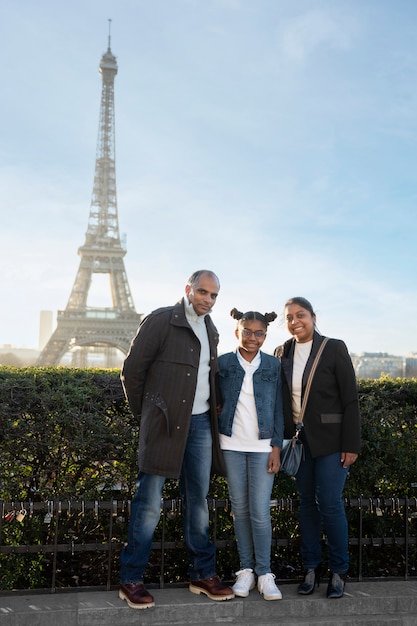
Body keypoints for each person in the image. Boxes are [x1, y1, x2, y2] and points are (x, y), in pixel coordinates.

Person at [119, 270, 234, 609]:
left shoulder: (211, 329)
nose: (208, 300)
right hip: (165, 424)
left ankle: (202, 573)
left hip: (200, 425)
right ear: (188, 289)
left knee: (198, 502)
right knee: (148, 504)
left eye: (214, 295)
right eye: (202, 292)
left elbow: (206, 376)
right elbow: (132, 371)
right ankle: (131, 579)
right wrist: (149, 415)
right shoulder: (160, 321)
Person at [275, 297, 361, 599]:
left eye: (301, 315)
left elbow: (350, 399)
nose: (295, 321)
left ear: (313, 316)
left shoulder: (334, 348)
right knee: (306, 505)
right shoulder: (281, 351)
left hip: (333, 442)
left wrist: (352, 444)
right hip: (300, 444)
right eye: (289, 317)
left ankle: (339, 571)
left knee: (330, 503)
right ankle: (310, 568)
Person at [217, 308, 284, 601]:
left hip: (262, 447)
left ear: (265, 335)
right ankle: (245, 571)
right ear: (237, 332)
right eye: (247, 331)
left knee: (259, 511)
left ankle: (265, 573)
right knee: (240, 509)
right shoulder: (221, 364)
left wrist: (276, 447)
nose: (253, 337)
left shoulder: (273, 365)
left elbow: (280, 409)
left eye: (259, 333)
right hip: (230, 444)